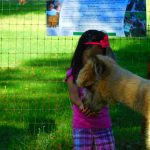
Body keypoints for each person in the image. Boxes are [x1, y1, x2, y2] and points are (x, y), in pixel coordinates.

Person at [65, 30, 116, 150]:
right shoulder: (73, 73)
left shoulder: (104, 74)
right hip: (81, 126)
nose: (93, 62)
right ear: (81, 53)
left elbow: (109, 94)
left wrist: (99, 104)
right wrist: (82, 106)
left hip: (103, 125)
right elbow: (74, 96)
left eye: (98, 58)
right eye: (89, 57)